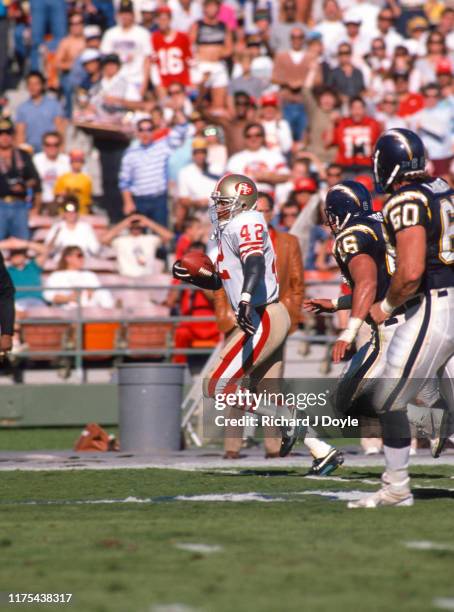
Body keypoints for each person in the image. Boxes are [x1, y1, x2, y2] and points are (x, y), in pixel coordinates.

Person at [349, 128, 454, 508]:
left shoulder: (405, 199)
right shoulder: (441, 187)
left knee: (390, 395)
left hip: (438, 304)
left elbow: (410, 272)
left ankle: (396, 486)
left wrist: (386, 307)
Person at [172, 173, 304, 456]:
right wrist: (197, 278)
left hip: (262, 314)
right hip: (255, 315)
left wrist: (244, 299)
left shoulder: (247, 221)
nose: (217, 207)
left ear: (241, 203)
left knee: (218, 384)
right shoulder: (231, 227)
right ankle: (320, 449)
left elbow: (254, 262)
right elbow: (224, 281)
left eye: (224, 202)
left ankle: (285, 416)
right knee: (244, 386)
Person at [119, 115, 187, 226]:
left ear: (153, 131)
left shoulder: (163, 147)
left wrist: (178, 111)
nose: (145, 133)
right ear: (137, 132)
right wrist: (128, 202)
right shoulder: (130, 153)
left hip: (159, 200)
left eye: (149, 130)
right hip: (139, 200)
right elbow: (124, 181)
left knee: (162, 234)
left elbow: (181, 130)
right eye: (141, 130)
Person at [170, 241, 220, 365]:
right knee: (180, 333)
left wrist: (198, 279)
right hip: (190, 325)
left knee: (227, 333)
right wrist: (182, 281)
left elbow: (214, 298)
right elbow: (171, 301)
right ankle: (178, 368)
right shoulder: (182, 277)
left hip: (212, 326)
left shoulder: (212, 276)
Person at [0, 117, 42, 240]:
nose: (4, 137)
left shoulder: (22, 155)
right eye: (1, 134)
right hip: (0, 204)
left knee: (22, 243)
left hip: (20, 205)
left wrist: (36, 207)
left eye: (8, 133)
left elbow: (35, 180)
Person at [100, 0, 151, 98]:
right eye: (122, 13)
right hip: (115, 81)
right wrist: (106, 84)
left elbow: (147, 62)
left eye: (128, 13)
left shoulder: (143, 33)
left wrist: (143, 87)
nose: (125, 16)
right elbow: (105, 61)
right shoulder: (110, 33)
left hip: (136, 80)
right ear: (118, 15)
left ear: (133, 15)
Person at [190, 0, 233, 109]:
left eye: (214, 5)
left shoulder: (224, 26)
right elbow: (189, 44)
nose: (211, 9)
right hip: (201, 66)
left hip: (218, 65)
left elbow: (229, 48)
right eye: (209, 6)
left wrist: (217, 53)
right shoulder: (197, 25)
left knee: (218, 104)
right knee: (198, 101)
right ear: (204, 8)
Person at [100, 213, 174, 277]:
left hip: (147, 279)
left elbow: (169, 236)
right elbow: (103, 240)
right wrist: (126, 222)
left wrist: (147, 221)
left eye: (138, 223)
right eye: (133, 223)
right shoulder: (121, 240)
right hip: (125, 278)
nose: (135, 226)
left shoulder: (150, 239)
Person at [44, 245, 114, 308]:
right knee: (81, 295)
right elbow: (49, 296)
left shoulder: (89, 275)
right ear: (68, 258)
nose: (82, 259)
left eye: (83, 256)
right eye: (79, 255)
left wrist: (89, 292)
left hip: (90, 306)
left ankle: (114, 316)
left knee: (103, 292)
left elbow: (97, 292)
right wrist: (69, 298)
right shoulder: (57, 276)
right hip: (68, 307)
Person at [226, 123, 289, 193]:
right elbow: (227, 182)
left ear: (263, 137)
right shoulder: (235, 159)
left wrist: (266, 177)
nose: (253, 138)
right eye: (249, 136)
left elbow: (285, 176)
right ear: (244, 138)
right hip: (243, 198)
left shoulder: (274, 156)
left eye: (257, 135)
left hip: (268, 195)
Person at [330, 97, 382, 177]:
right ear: (349, 110)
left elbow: (378, 146)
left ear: (364, 109)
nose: (357, 111)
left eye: (360, 108)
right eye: (354, 108)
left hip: (367, 167)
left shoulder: (373, 124)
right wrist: (332, 124)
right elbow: (329, 142)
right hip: (346, 167)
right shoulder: (342, 123)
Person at [15, 71, 66, 153]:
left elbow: (60, 129)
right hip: (30, 150)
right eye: (30, 84)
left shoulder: (54, 105)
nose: (33, 87)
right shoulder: (22, 108)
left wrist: (61, 150)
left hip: (50, 149)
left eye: (36, 84)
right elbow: (20, 133)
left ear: (42, 85)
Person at [150, 6, 192, 98]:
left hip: (181, 81)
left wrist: (189, 83)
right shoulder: (154, 38)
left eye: (164, 19)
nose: (162, 22)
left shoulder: (182, 37)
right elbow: (153, 63)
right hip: (164, 82)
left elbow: (189, 60)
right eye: (159, 19)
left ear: (170, 19)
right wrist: (158, 84)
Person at [2, 237, 48, 309]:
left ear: (24, 256)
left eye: (19, 254)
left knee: (46, 315)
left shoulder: (33, 266)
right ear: (9, 257)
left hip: (36, 301)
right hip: (16, 302)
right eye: (13, 254)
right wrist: (8, 244)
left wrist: (24, 244)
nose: (16, 256)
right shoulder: (6, 270)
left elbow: (45, 250)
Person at [32, 132, 70, 213]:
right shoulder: (35, 160)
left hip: (62, 203)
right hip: (40, 202)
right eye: (48, 144)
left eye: (55, 144)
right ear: (43, 146)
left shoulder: (67, 161)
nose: (52, 147)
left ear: (60, 146)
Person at [53, 149, 92, 215]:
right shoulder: (63, 178)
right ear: (71, 162)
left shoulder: (87, 179)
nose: (76, 164)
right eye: (74, 161)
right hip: (65, 210)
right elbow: (57, 195)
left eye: (79, 161)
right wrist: (61, 195)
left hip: (81, 211)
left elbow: (88, 199)